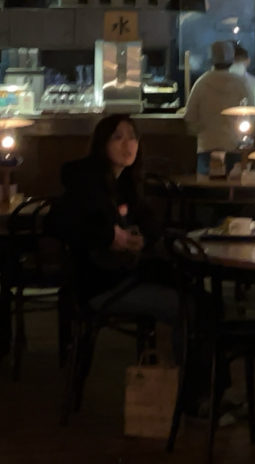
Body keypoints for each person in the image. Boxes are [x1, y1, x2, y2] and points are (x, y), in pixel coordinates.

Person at [53, 114, 186, 363]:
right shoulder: (85, 180)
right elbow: (60, 223)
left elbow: (151, 225)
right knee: (188, 307)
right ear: (102, 144)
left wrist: (142, 239)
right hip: (101, 285)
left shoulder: (126, 184)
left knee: (198, 297)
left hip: (127, 276)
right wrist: (111, 237)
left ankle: (194, 378)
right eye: (118, 138)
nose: (128, 145)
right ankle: (192, 383)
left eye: (133, 138)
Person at [184, 41, 255, 174]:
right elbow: (253, 113)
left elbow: (190, 116)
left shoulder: (201, 83)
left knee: (206, 185)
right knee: (234, 183)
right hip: (234, 145)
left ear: (211, 60)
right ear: (231, 60)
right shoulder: (240, 83)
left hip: (207, 146)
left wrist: (201, 128)